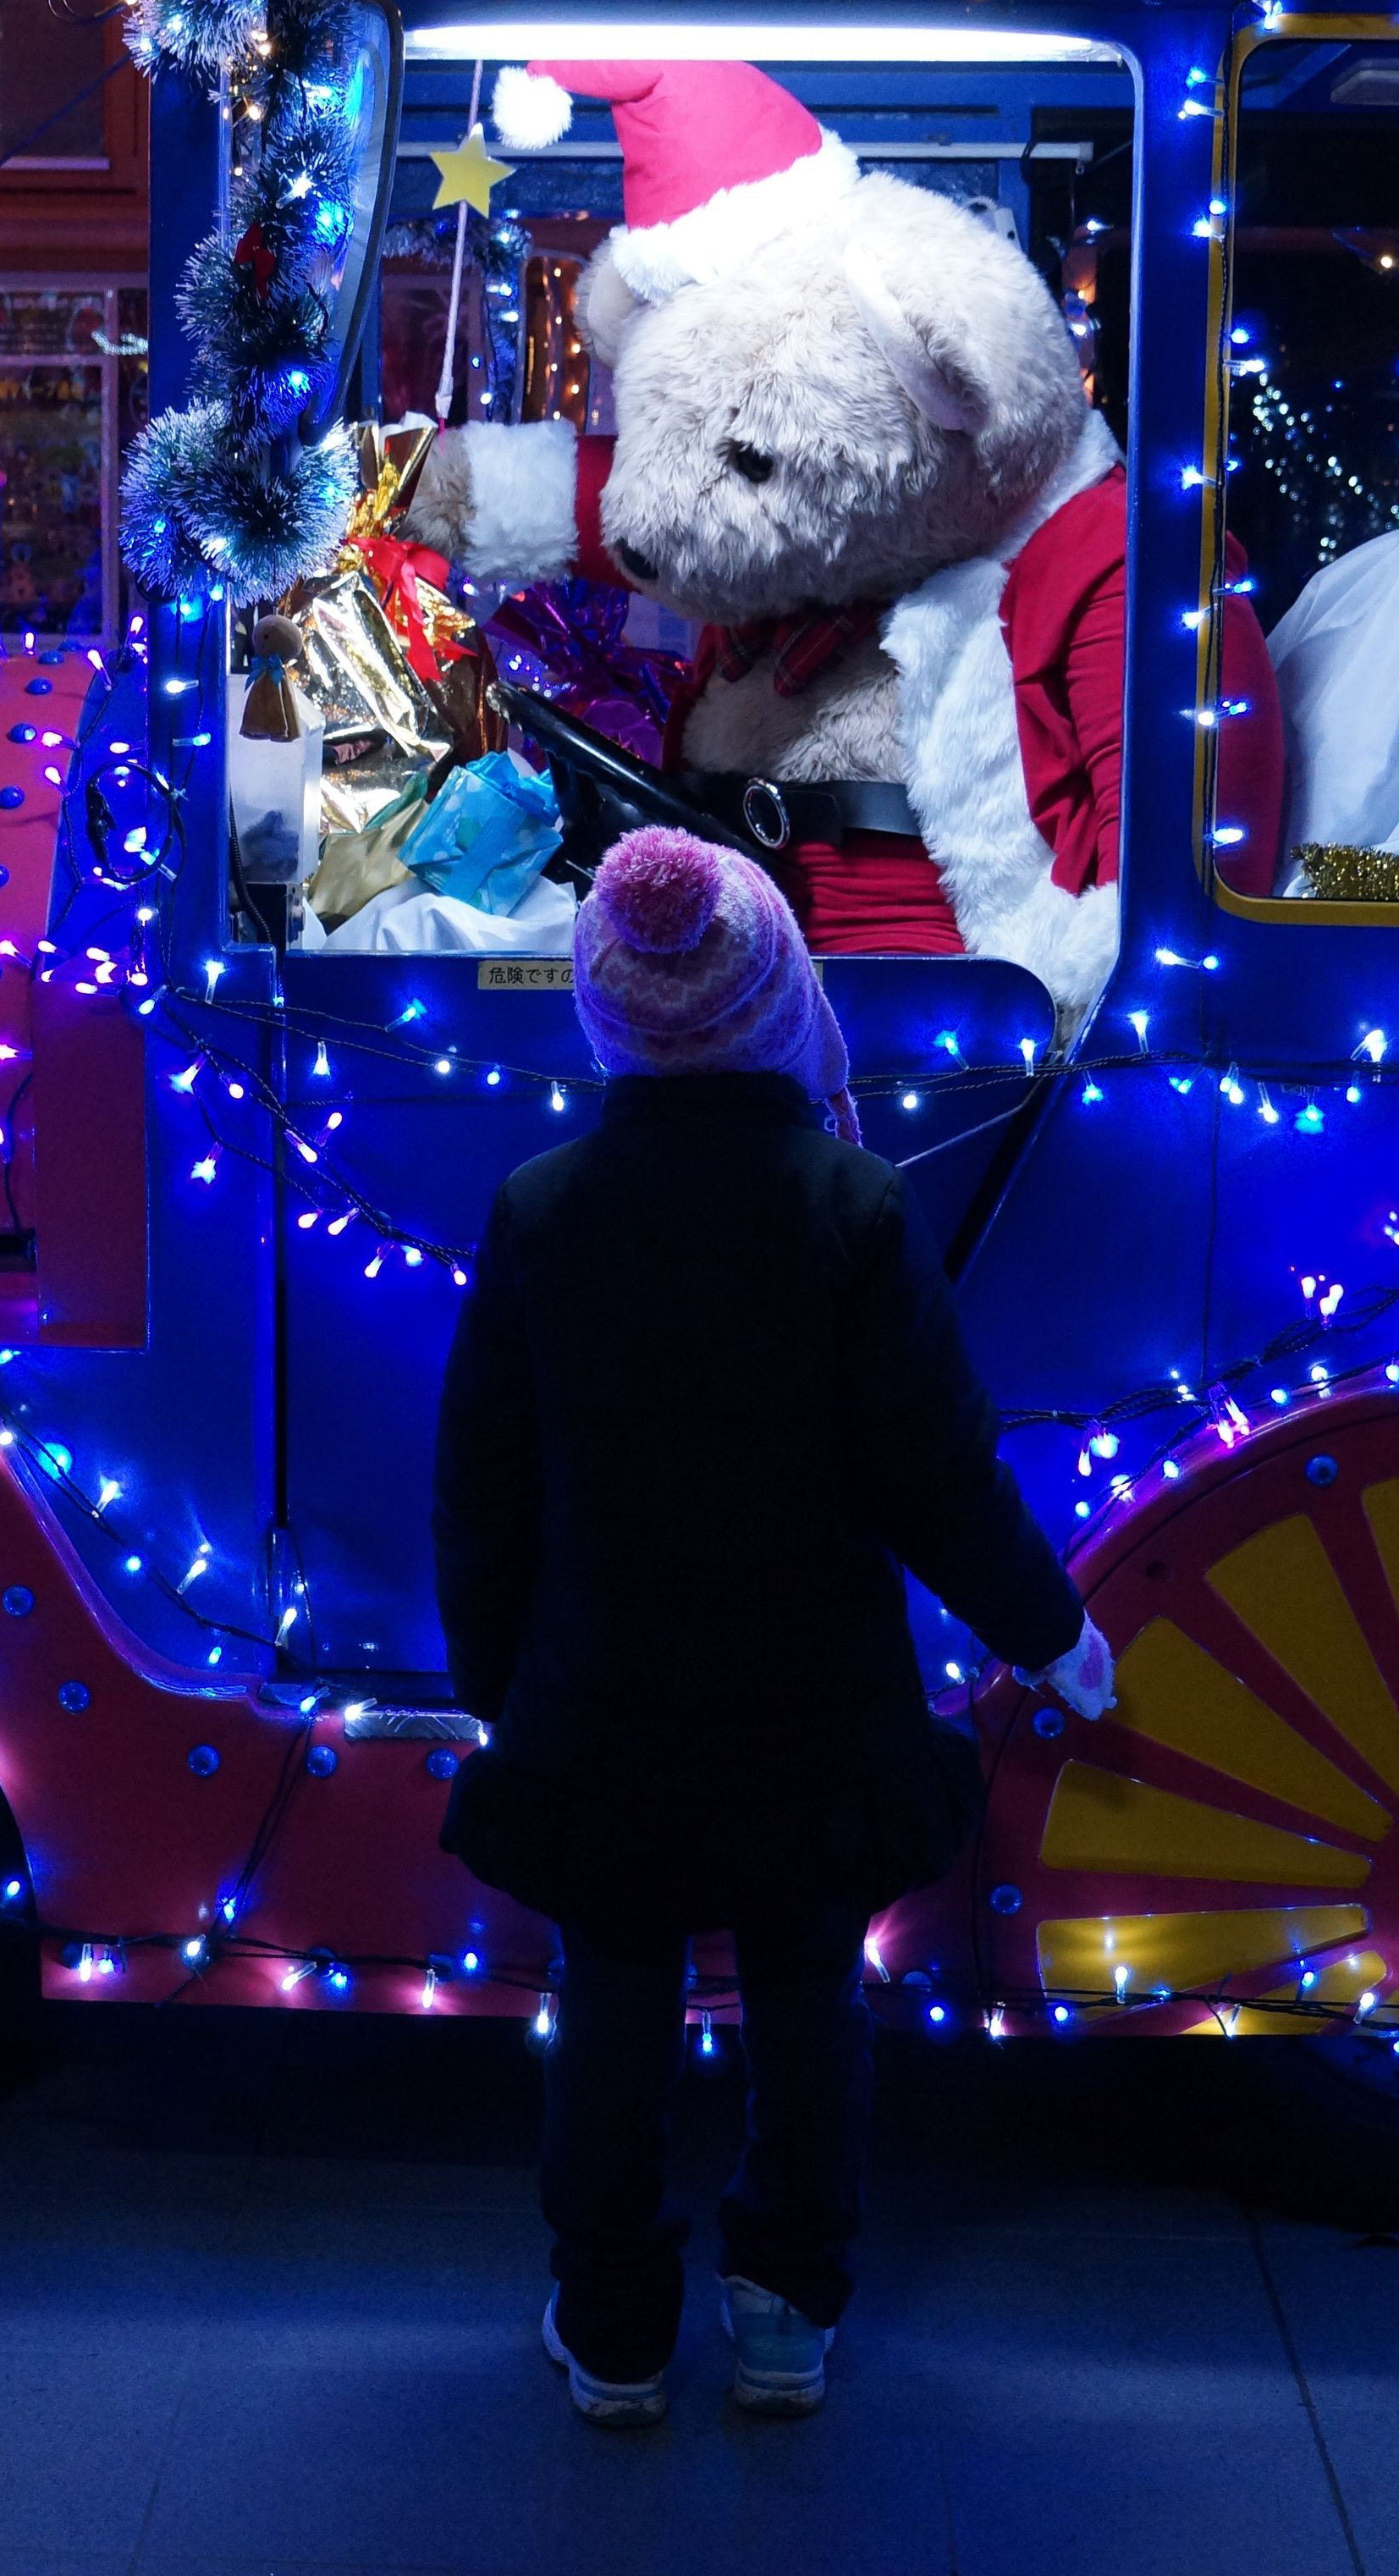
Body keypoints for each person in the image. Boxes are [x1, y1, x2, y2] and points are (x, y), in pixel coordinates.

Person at [432, 825, 1114, 2429]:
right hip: (814, 1714)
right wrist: (1049, 1631)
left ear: (604, 1007)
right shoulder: (852, 1202)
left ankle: (613, 2327)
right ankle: (785, 2310)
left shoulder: (541, 1207)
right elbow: (936, 1473)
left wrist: (494, 1681)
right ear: (777, 996)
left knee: (610, 2002)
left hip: (600, 1707)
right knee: (810, 2003)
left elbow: (481, 1485)